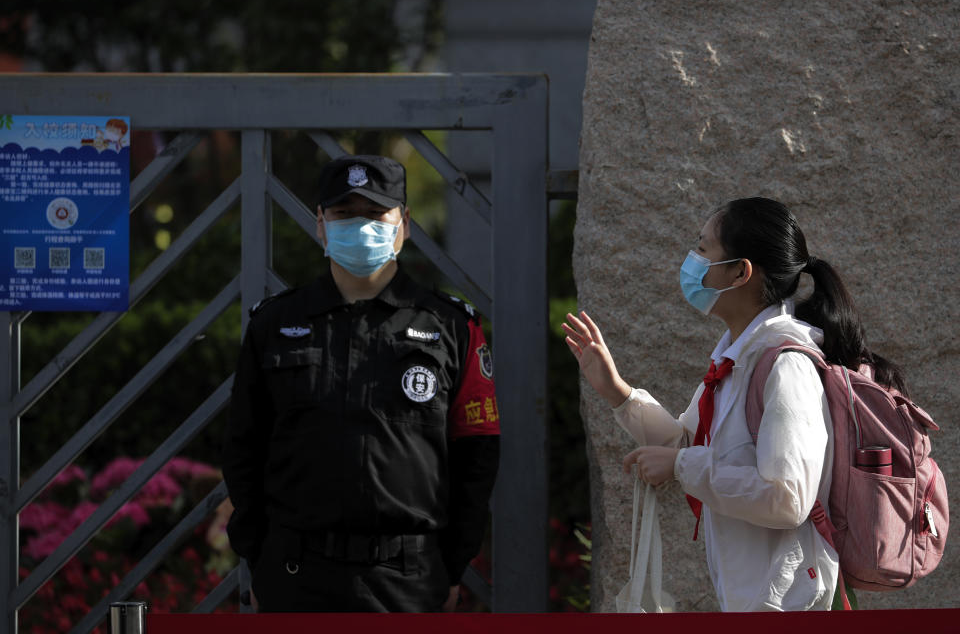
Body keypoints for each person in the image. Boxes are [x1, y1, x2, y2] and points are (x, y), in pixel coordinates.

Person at [563, 197, 908, 611]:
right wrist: (616, 389)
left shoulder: (786, 367)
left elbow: (786, 498)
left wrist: (679, 466)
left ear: (741, 271)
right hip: (758, 602)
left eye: (704, 249)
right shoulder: (737, 360)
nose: (692, 261)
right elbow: (686, 444)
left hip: (794, 606)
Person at [222, 154, 501, 612]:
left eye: (375, 215)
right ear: (320, 224)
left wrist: (451, 564)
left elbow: (478, 454)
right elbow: (243, 447)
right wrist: (259, 555)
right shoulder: (274, 324)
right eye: (344, 215)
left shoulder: (452, 327)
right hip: (296, 575)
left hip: (409, 580)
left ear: (404, 223)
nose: (360, 227)